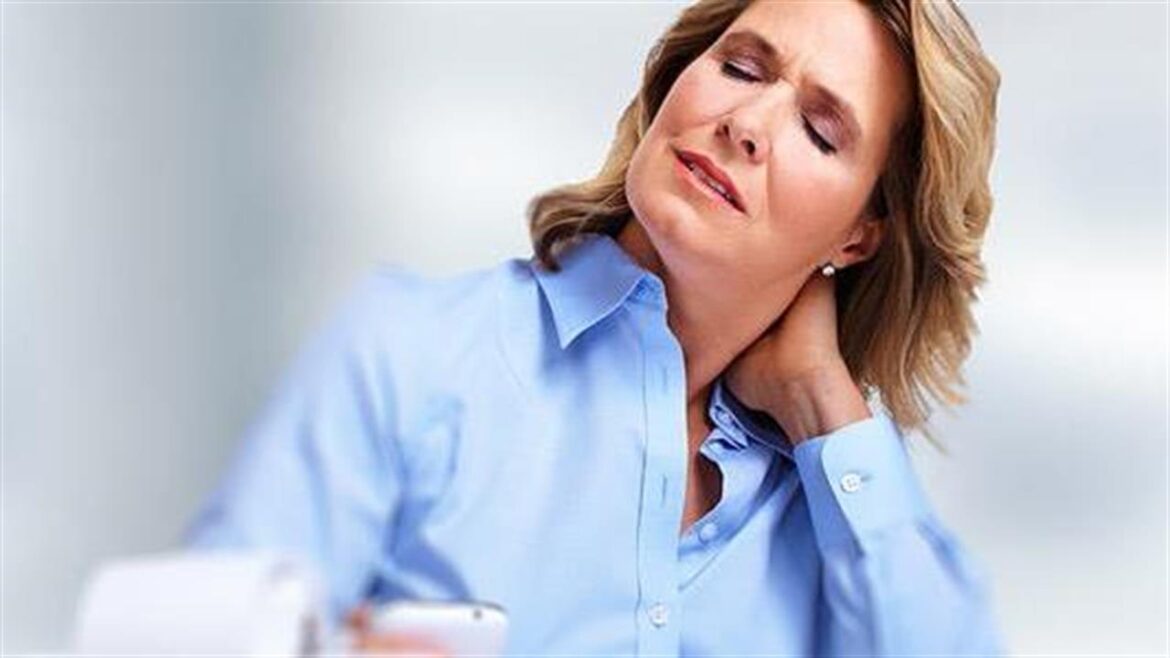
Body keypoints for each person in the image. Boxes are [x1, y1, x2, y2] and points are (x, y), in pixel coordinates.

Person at [186, 0, 1004, 655]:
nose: (747, 122)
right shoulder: (411, 352)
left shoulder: (843, 508)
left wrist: (824, 401)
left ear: (858, 236)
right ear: (676, 79)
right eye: (740, 68)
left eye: (820, 131)